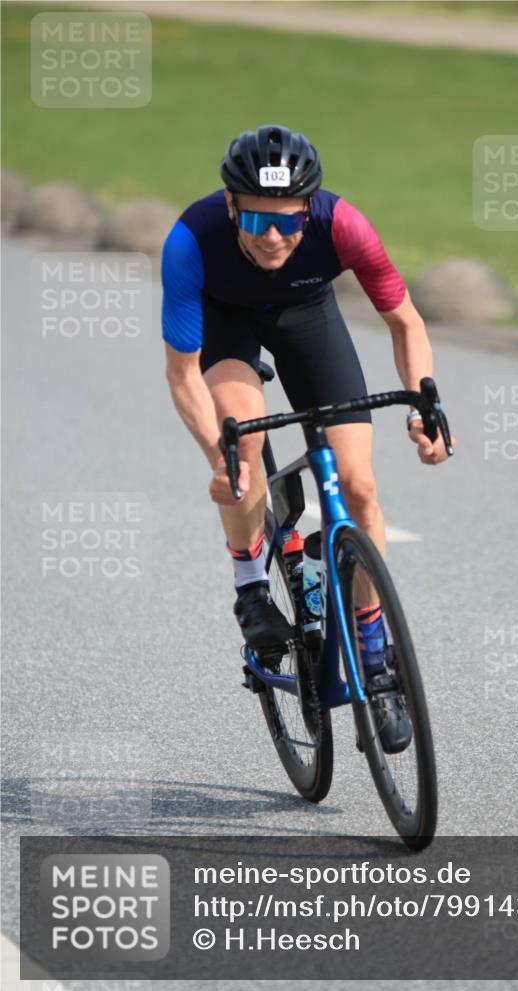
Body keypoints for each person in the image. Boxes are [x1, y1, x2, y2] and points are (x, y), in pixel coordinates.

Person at [161, 124, 450, 753]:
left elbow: (404, 321)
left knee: (359, 485)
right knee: (242, 455)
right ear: (233, 204)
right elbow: (183, 374)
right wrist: (217, 457)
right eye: (258, 219)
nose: (273, 237)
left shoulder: (344, 225)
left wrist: (425, 405)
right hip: (226, 321)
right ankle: (251, 589)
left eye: (289, 223)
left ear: (309, 210)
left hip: (306, 315)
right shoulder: (191, 240)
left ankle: (375, 656)